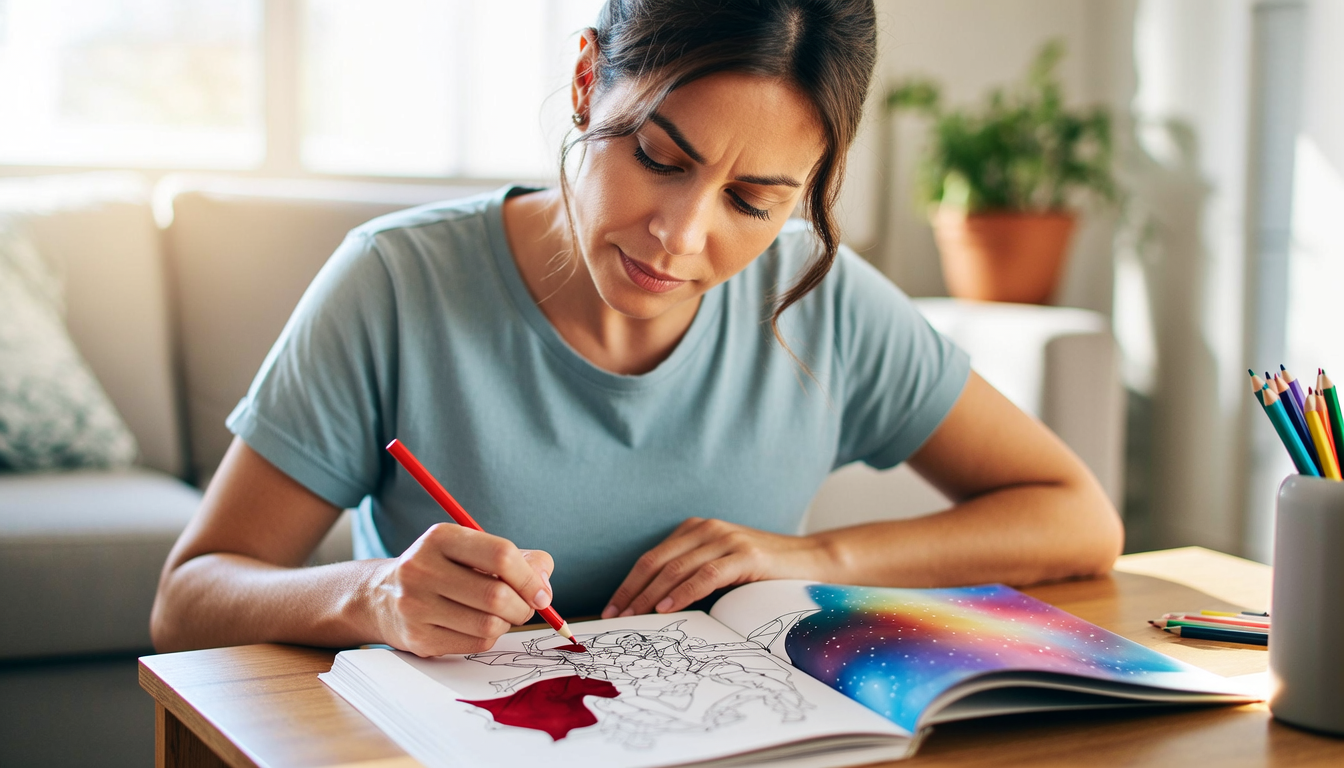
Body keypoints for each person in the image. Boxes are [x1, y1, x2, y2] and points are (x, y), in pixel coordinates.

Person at [151, 0, 1121, 658]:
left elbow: (1077, 516)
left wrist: (820, 558)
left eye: (753, 200)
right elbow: (186, 599)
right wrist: (371, 597)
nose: (681, 236)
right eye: (658, 156)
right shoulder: (397, 282)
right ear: (586, 83)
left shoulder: (820, 299)